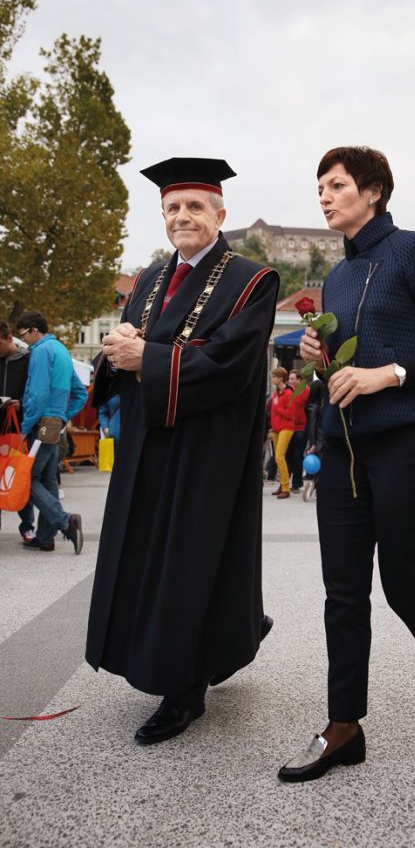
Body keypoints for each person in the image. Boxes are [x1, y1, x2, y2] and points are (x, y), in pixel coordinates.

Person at [279, 146, 415, 782]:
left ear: (372, 191)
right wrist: (323, 359)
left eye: (337, 184)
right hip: (344, 449)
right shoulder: (339, 276)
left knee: (405, 585)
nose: (324, 195)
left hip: (408, 443)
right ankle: (344, 725)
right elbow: (342, 371)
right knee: (343, 591)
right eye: (320, 186)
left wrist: (385, 375)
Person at [86, 157, 279, 745]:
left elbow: (230, 363)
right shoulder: (147, 279)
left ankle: (183, 691)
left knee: (190, 561)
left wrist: (147, 356)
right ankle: (217, 638)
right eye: (172, 208)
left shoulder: (252, 279)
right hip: (148, 442)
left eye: (195, 206)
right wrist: (115, 351)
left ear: (221, 214)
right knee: (148, 556)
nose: (182, 216)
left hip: (205, 449)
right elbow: (125, 348)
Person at [14, 311, 87, 554]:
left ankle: (66, 521)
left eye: (23, 335)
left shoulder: (41, 352)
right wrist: (62, 416)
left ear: (34, 330)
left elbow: (37, 394)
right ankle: (45, 537)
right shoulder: (61, 351)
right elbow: (80, 393)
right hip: (54, 424)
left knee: (26, 479)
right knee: (47, 480)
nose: (24, 340)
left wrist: (24, 429)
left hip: (39, 424)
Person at [0, 321, 34, 541]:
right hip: (1, 426)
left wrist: (21, 402)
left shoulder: (28, 359)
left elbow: (33, 390)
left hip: (20, 427)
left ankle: (27, 526)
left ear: (10, 338)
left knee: (20, 473)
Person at [269, 366, 294, 499]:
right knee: (278, 459)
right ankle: (282, 485)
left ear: (280, 378)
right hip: (277, 428)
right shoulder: (276, 393)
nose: (272, 379)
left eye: (274, 376)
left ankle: (285, 487)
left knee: (279, 456)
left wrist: (278, 406)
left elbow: (290, 414)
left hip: (287, 427)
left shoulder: (288, 393)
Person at [286, 369, 310, 492]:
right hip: (288, 427)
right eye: (289, 378)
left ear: (299, 380)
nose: (289, 381)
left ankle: (296, 483)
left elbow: (311, 408)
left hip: (301, 427)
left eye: (292, 379)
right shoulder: (287, 391)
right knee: (287, 455)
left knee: (297, 456)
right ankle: (285, 483)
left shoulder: (306, 391)